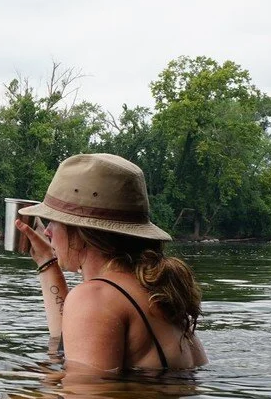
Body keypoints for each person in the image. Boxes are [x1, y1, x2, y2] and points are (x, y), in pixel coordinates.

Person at [15, 153, 207, 371]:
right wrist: (46, 260)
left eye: (54, 221)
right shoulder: (147, 289)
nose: (47, 231)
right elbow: (70, 343)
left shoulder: (96, 298)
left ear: (81, 231)